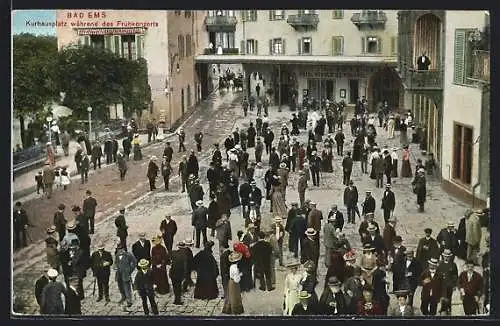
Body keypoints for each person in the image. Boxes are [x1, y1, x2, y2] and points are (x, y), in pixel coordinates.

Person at [114, 243, 136, 310]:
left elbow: (134, 262)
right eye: (118, 249)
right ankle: (123, 297)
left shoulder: (128, 255)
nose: (120, 250)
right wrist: (115, 267)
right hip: (119, 274)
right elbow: (116, 263)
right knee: (120, 287)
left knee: (127, 288)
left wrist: (130, 270)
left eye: (121, 249)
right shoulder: (117, 255)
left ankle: (129, 301)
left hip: (126, 274)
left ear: (123, 249)